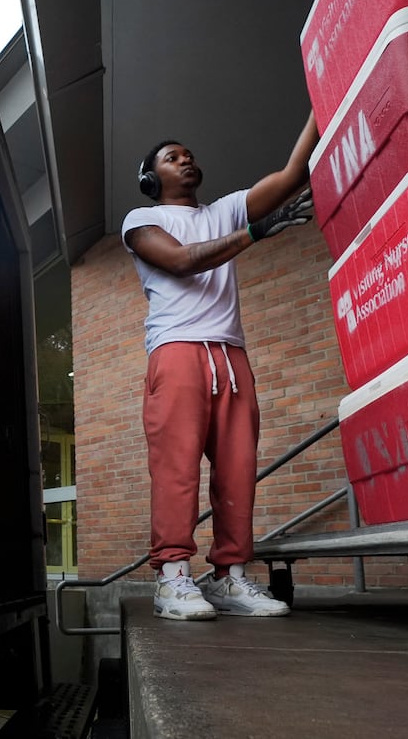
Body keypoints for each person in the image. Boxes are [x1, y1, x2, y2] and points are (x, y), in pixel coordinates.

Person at [121, 114, 319, 621]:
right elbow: (184, 261)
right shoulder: (141, 221)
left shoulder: (225, 209)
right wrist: (253, 234)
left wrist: (324, 93)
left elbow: (294, 173)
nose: (185, 159)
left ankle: (230, 577)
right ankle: (172, 579)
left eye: (188, 153)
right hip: (177, 351)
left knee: (237, 473)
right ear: (150, 178)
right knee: (177, 471)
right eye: (171, 157)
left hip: (230, 356)